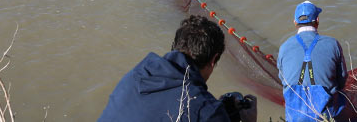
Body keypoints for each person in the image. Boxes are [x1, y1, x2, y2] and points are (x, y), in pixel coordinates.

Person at [98, 15, 257, 122]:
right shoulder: (206, 111)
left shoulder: (136, 74)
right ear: (213, 59)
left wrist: (215, 106)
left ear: (175, 46)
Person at [277, 1, 353, 122]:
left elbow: (283, 79)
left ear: (295, 22)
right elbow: (342, 79)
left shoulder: (284, 47)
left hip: (295, 116)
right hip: (327, 115)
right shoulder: (332, 44)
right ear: (317, 20)